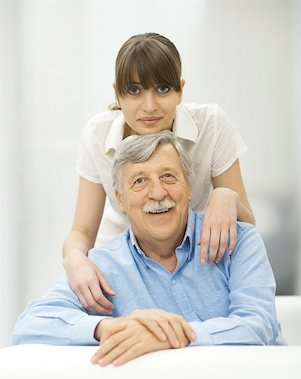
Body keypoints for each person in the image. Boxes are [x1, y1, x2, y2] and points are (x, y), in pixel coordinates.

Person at [13, 132, 282, 366]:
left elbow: (259, 325)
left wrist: (165, 335)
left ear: (188, 189)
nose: (157, 192)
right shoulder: (103, 266)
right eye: (140, 181)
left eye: (168, 176)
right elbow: (31, 325)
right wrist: (108, 328)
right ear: (120, 200)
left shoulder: (239, 240)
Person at [63, 32, 255, 314]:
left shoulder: (211, 124)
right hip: (126, 266)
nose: (150, 106)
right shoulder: (97, 134)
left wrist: (228, 197)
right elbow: (81, 231)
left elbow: (248, 229)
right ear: (117, 93)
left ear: (181, 90)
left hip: (198, 261)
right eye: (135, 91)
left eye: (163, 89)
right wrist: (75, 260)